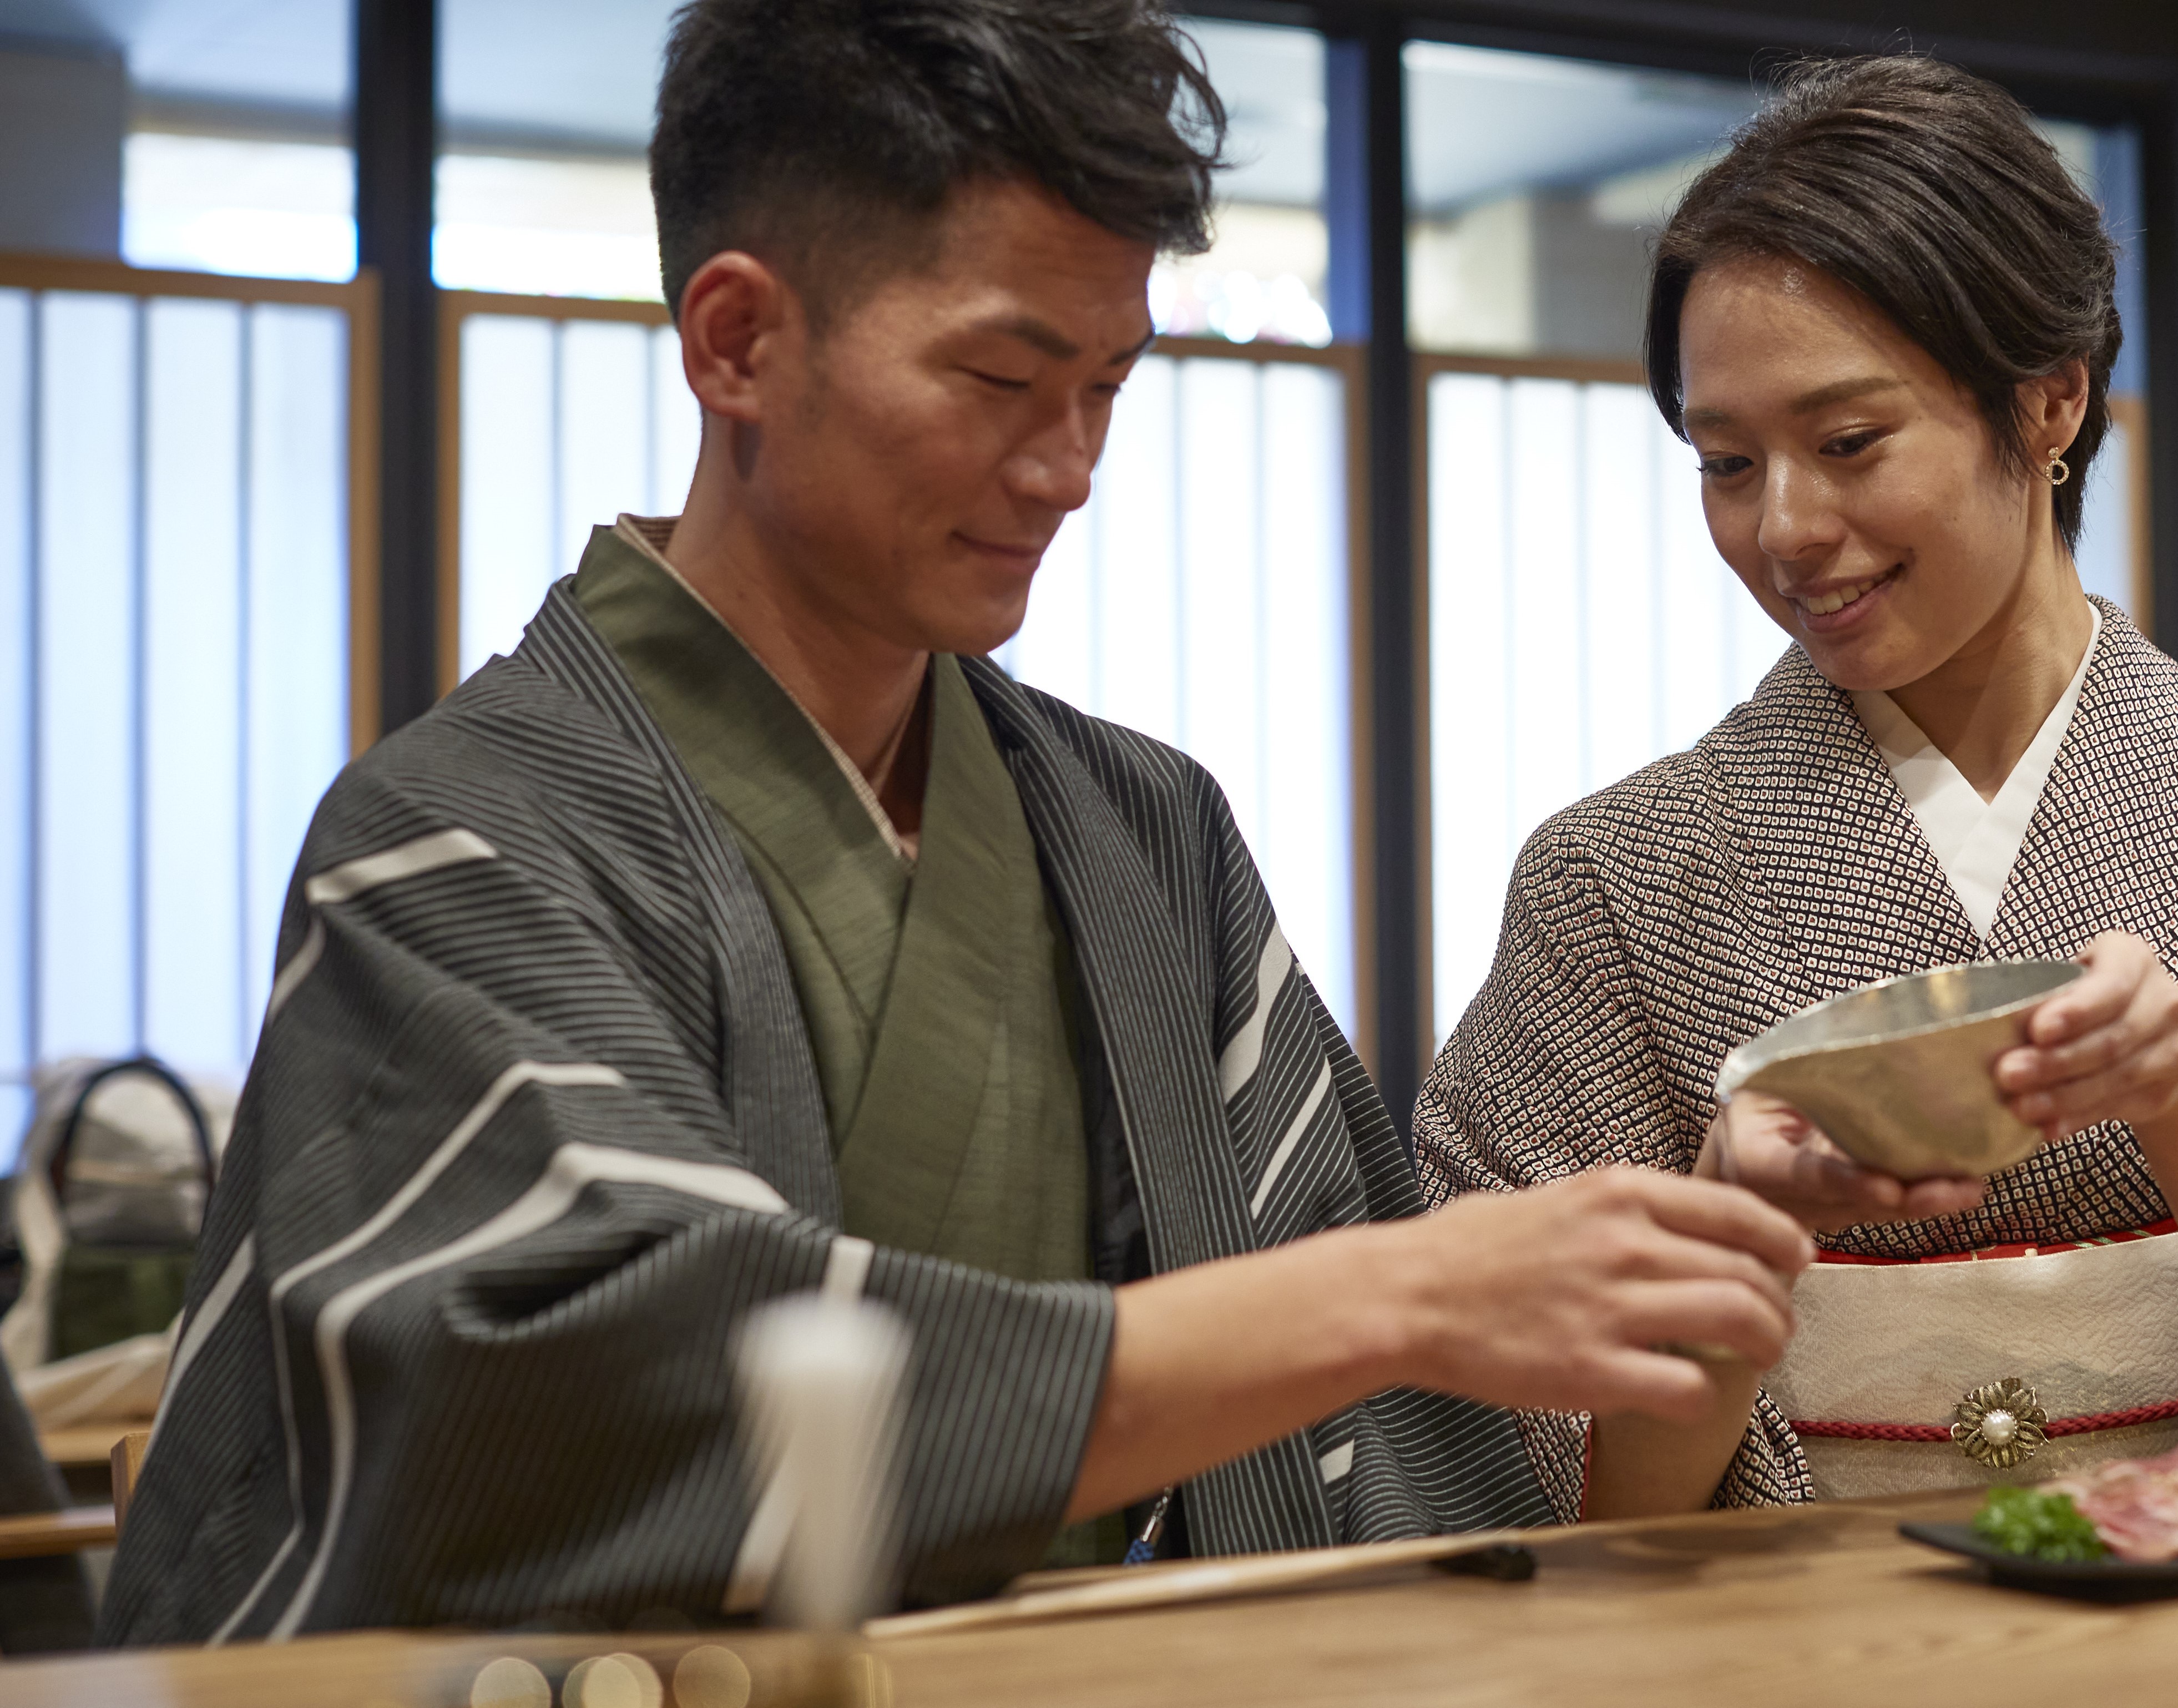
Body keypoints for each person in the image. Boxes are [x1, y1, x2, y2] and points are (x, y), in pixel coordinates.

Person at [99, 0, 1810, 1642]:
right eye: (1004, 377)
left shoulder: (1149, 834)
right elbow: (608, 1403)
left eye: (1111, 386)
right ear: (737, 339)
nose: (1068, 464)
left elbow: (1402, 1456)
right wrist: (1405, 1296)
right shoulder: (454, 839)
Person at [1416, 56, 2178, 1519]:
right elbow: (1503, 1440)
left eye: (1849, 442)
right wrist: (1732, 1221)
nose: (1784, 527)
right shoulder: (1613, 876)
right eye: (1727, 461)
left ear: (2048, 403)